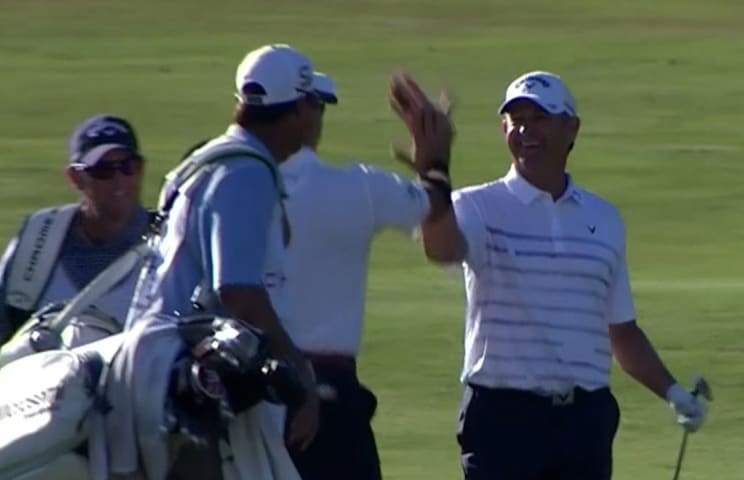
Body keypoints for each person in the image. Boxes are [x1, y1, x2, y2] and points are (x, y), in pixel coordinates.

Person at [414, 70, 709, 479]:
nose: (525, 131)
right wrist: (433, 174)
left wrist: (674, 393)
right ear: (503, 129)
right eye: (516, 121)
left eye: (540, 119)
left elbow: (620, 332)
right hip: (503, 419)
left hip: (584, 422)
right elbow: (440, 248)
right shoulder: (476, 207)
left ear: (571, 128)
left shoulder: (603, 219)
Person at [125, 44, 327, 478]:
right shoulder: (246, 172)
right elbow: (237, 292)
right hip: (191, 389)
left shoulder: (207, 161)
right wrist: (299, 372)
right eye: (311, 106)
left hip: (159, 369)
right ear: (295, 112)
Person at [271, 71, 455, 479]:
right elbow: (434, 203)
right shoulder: (357, 189)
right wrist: (434, 161)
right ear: (305, 113)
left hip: (240, 396)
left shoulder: (211, 182)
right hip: (327, 401)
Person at [0, 114, 151, 345]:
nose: (119, 179)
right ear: (75, 178)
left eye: (128, 167)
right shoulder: (38, 237)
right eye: (103, 170)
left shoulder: (169, 241)